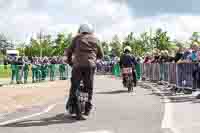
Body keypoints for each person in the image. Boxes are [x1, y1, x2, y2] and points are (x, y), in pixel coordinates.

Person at [66, 23, 104, 120]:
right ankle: (87, 108)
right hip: (90, 66)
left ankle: (72, 104)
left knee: (74, 86)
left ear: (80, 30)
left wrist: (70, 62)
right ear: (91, 31)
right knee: (89, 87)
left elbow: (69, 52)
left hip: (77, 65)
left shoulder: (76, 38)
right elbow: (101, 55)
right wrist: (94, 58)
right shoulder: (96, 39)